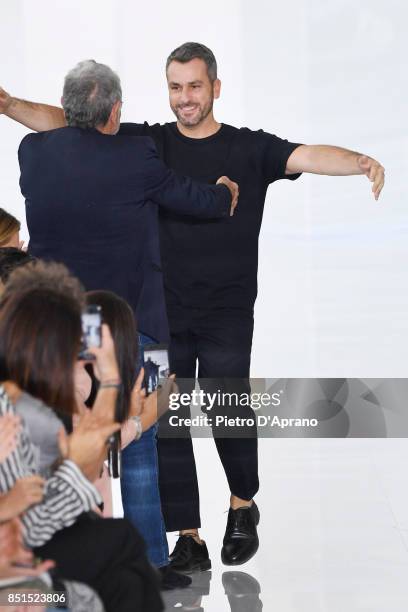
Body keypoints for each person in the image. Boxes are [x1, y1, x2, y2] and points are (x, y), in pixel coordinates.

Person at [0, 42, 385, 570]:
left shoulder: (249, 149)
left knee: (226, 401)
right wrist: (9, 103)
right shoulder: (147, 143)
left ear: (215, 88)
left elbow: (307, 154)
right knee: (166, 422)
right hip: (163, 308)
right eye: (176, 87)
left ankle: (242, 502)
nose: (185, 98)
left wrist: (360, 161)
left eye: (195, 86)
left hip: (226, 307)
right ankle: (189, 537)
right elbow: (69, 124)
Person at [14, 60, 237, 348]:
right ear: (116, 110)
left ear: (63, 104)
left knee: (69, 394)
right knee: (146, 393)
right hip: (124, 326)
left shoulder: (32, 151)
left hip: (52, 325)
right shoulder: (136, 157)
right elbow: (193, 199)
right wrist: (223, 193)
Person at [0, 261, 163, 611]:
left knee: (120, 561)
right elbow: (39, 520)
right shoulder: (26, 407)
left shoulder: (35, 400)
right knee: (118, 547)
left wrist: (112, 386)